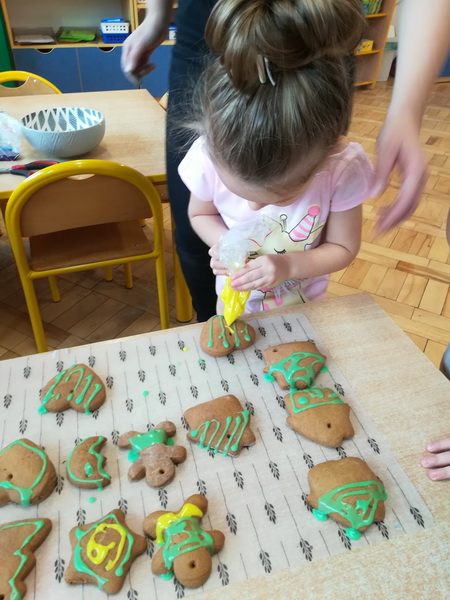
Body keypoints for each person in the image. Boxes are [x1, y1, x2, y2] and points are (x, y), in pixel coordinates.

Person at [179, 0, 372, 315]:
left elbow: (343, 247)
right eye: (239, 193)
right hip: (233, 308)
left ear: (327, 156)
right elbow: (200, 214)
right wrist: (225, 244)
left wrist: (289, 265)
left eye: (280, 198)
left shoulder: (342, 168)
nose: (254, 208)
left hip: (304, 310)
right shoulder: (207, 154)